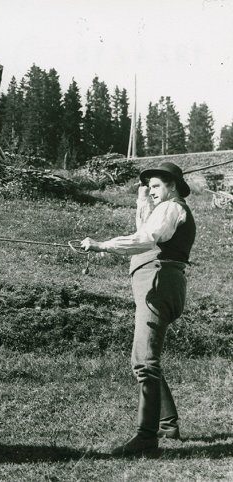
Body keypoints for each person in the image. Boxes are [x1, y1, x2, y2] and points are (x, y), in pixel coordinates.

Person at [81, 162, 195, 456]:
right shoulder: (162, 209)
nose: (152, 191)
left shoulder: (172, 208)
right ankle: (168, 425)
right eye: (150, 186)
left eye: (157, 185)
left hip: (159, 282)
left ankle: (146, 437)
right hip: (154, 283)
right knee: (143, 358)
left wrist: (103, 245)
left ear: (172, 187)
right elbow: (144, 226)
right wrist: (143, 196)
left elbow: (144, 239)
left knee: (145, 361)